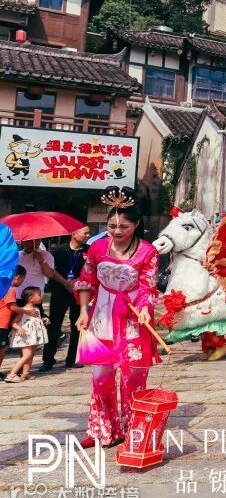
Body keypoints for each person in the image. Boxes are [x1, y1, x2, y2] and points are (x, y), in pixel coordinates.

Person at [73, 186, 160, 448]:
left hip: (133, 315)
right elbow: (87, 280)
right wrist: (83, 312)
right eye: (112, 226)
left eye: (124, 226)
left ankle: (134, 430)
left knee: (133, 376)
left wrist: (144, 308)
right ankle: (103, 430)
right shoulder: (97, 248)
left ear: (136, 225)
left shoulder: (147, 251)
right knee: (101, 376)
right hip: (102, 314)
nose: (117, 231)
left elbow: (148, 286)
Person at [41, 226, 90, 371]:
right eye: (85, 233)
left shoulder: (89, 250)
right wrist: (65, 283)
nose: (87, 235)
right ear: (74, 234)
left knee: (77, 325)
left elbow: (91, 270)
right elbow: (52, 270)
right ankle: (48, 359)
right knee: (54, 325)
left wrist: (78, 282)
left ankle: (72, 359)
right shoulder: (59, 250)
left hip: (80, 292)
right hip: (60, 291)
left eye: (89, 233)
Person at [5, 286, 47, 382]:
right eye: (39, 295)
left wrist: (43, 319)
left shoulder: (37, 309)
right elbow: (13, 323)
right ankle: (12, 374)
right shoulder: (23, 310)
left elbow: (34, 320)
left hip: (34, 337)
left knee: (31, 354)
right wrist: (19, 328)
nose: (41, 297)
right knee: (27, 354)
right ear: (31, 298)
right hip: (26, 336)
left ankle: (26, 373)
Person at [0, 267, 26, 378]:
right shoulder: (9, 290)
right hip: (1, 324)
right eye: (23, 279)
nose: (22, 282)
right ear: (17, 277)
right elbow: (13, 307)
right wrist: (26, 311)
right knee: (2, 348)